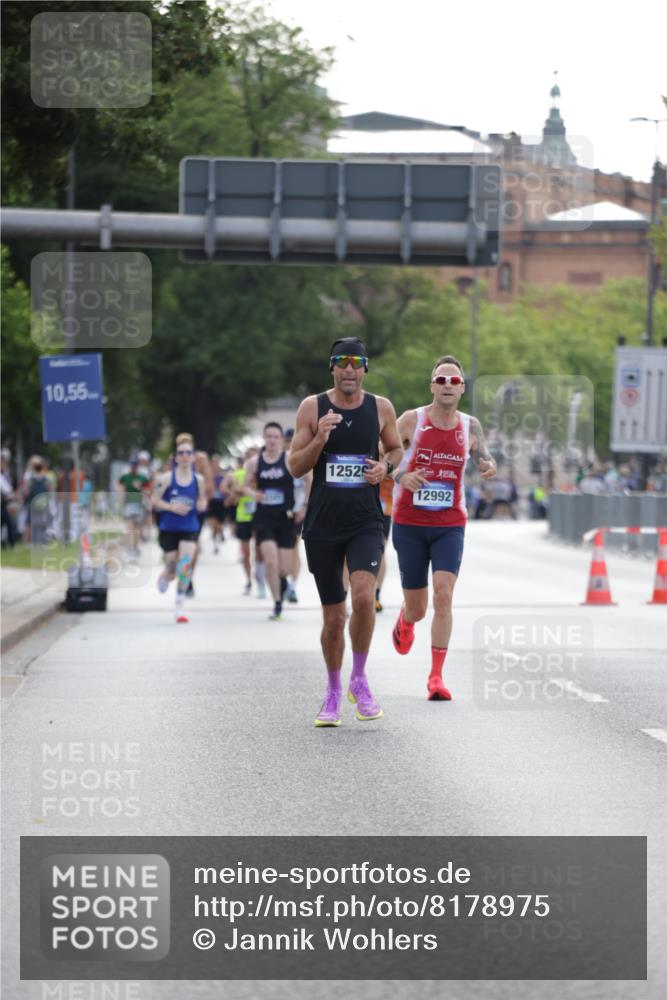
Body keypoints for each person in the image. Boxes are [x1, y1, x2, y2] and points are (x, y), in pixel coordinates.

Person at [287, 336, 402, 727]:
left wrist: (385, 468)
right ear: (332, 367)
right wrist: (320, 438)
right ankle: (334, 691)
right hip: (323, 525)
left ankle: (360, 678)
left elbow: (396, 449)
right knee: (335, 617)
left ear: (365, 368)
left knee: (365, 597)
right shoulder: (312, 407)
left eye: (355, 361)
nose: (349, 369)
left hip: (365, 520)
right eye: (341, 361)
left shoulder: (381, 407)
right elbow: (295, 467)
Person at [391, 355, 496, 700]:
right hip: (409, 523)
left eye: (454, 381)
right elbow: (381, 459)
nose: (447, 386)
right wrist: (401, 476)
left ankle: (436, 677)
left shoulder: (470, 426)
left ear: (462, 388)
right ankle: (406, 619)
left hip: (450, 523)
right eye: (441, 380)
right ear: (432, 387)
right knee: (418, 608)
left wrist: (489, 465)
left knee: (444, 594)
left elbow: (485, 457)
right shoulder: (411, 420)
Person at [244, 423, 299, 621]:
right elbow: (245, 486)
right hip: (264, 518)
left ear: (281, 439)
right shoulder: (254, 462)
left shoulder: (290, 459)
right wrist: (254, 494)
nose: (272, 440)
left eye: (276, 436)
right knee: (270, 560)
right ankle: (277, 603)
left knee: (284, 568)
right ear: (264, 437)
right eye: (269, 436)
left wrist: (304, 506)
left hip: (285, 517)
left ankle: (283, 582)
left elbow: (308, 478)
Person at [152, 433, 207, 623]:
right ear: (176, 458)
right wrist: (171, 507)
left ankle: (179, 607)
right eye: (181, 453)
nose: (184, 456)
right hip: (169, 528)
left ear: (193, 457)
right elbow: (154, 501)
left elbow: (202, 500)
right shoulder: (166, 479)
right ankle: (165, 576)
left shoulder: (199, 480)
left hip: (189, 527)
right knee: (172, 569)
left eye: (188, 453)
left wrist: (201, 504)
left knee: (184, 565)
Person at [118, 457, 145, 560]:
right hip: (128, 504)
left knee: (137, 528)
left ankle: (135, 548)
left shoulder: (142, 478)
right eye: (132, 465)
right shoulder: (125, 477)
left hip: (139, 504)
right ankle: (129, 549)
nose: (133, 467)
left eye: (135, 465)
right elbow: (120, 487)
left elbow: (148, 491)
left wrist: (140, 488)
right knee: (130, 527)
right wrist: (121, 498)